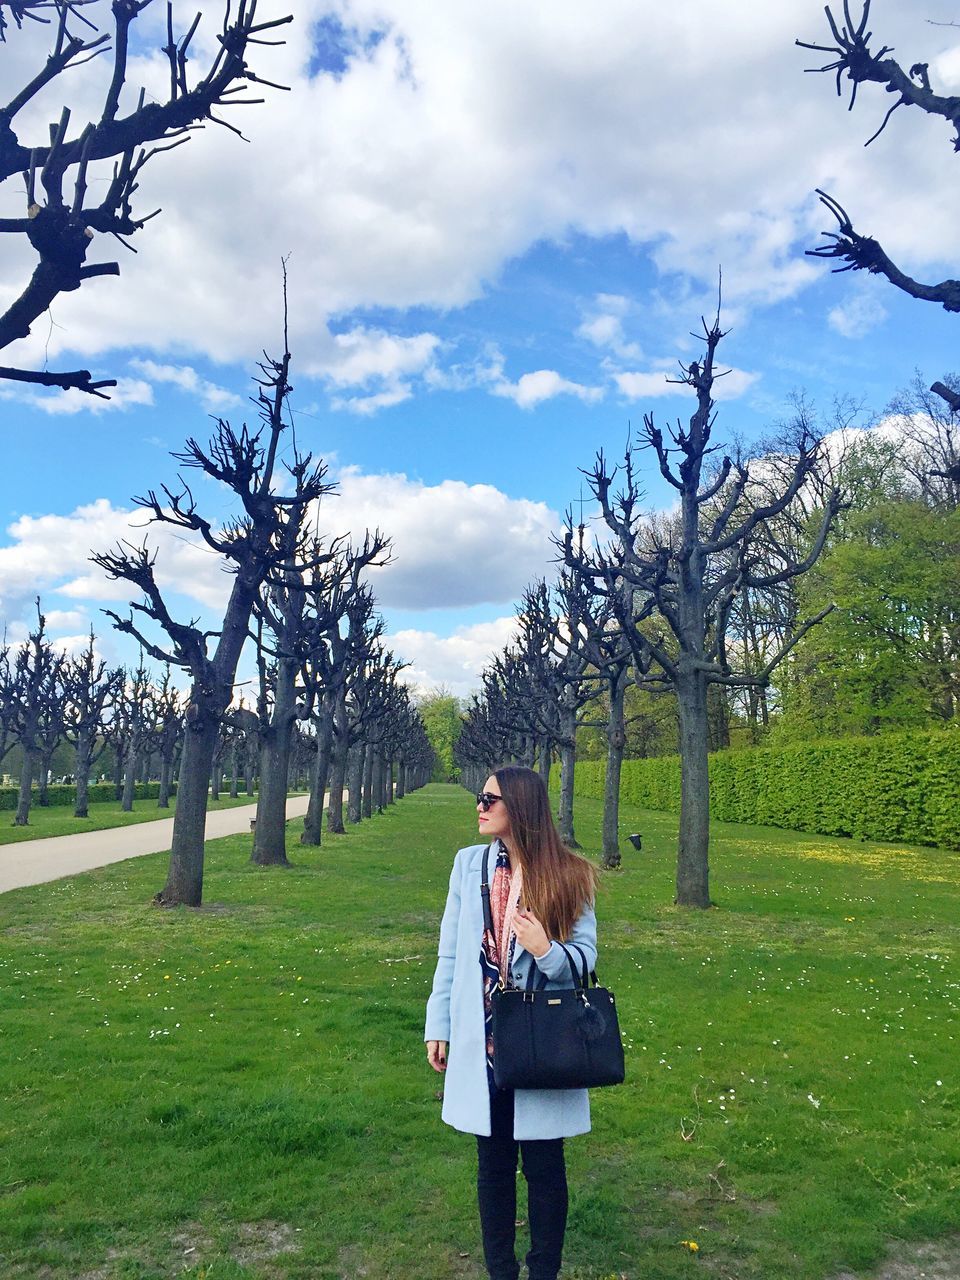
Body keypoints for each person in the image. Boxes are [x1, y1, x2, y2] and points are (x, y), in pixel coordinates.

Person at [425, 765, 599, 1280]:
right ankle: (501, 1271)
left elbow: (585, 959)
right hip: (484, 1043)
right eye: (480, 797)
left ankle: (544, 1269)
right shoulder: (467, 866)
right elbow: (449, 955)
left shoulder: (570, 874)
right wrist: (440, 1024)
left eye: (489, 798)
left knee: (545, 1166)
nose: (479, 806)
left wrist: (545, 950)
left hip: (543, 1039)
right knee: (493, 1164)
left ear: (519, 808)